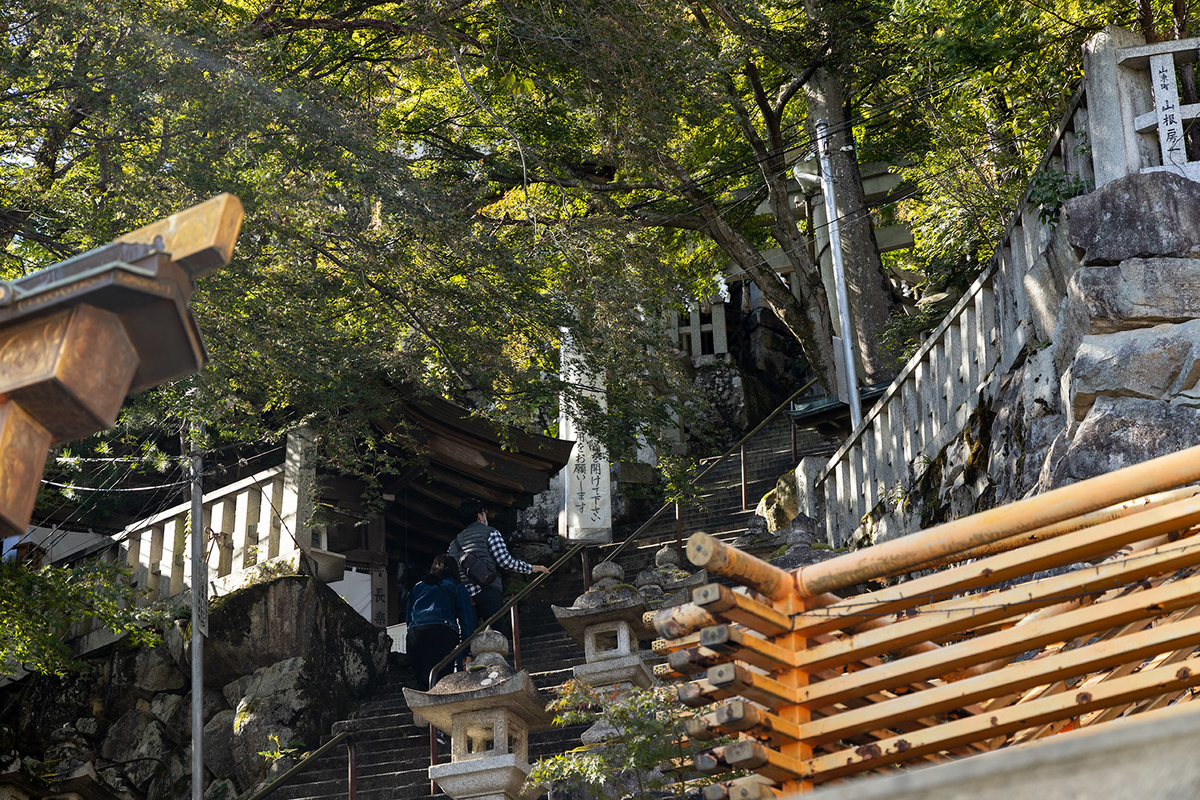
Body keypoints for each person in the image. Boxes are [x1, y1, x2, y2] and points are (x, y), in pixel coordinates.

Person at [448, 499, 550, 630]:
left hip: (466, 596)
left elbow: (451, 573)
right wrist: (532, 568)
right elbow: (504, 561)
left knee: (467, 638)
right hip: (488, 589)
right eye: (484, 513)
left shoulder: (454, 544)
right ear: (480, 516)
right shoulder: (490, 533)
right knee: (496, 634)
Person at [405, 554, 475, 690]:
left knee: (422, 681)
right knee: (442, 680)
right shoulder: (457, 587)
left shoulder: (418, 587)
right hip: (442, 632)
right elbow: (466, 621)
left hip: (416, 634)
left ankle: (421, 710)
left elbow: (409, 617)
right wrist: (467, 651)